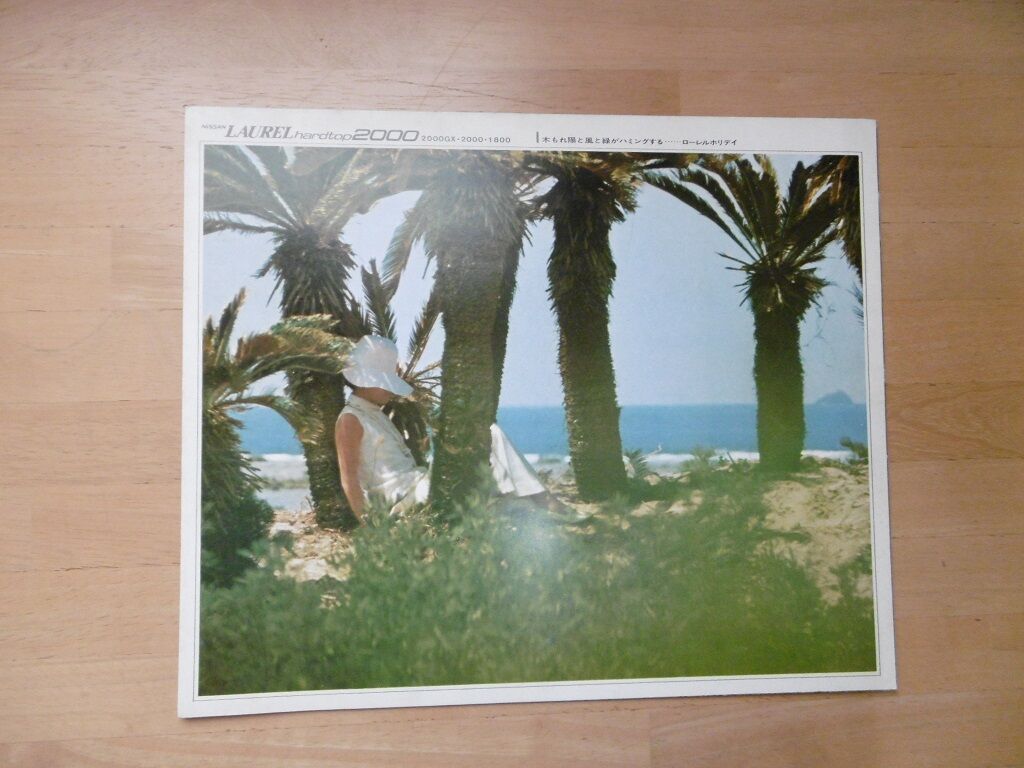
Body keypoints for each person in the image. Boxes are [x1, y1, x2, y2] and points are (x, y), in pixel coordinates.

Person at [334, 334, 552, 522]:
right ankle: (545, 501)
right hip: (406, 499)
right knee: (487, 433)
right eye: (385, 383)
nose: (390, 390)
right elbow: (350, 480)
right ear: (365, 381)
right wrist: (370, 528)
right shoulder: (351, 419)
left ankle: (537, 503)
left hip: (418, 487)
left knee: (486, 441)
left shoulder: (373, 413)